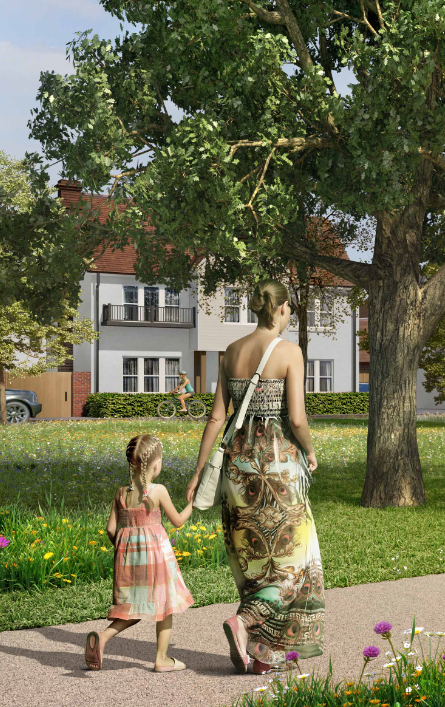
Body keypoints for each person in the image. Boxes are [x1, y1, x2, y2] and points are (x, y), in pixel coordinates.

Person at [188, 278, 324, 674]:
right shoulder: (289, 352)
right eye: (289, 309)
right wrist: (310, 451)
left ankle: (264, 656)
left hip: (236, 468)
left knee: (255, 560)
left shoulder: (231, 351)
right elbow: (296, 418)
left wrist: (198, 473)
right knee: (296, 560)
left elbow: (216, 418)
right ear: (281, 309)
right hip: (277, 467)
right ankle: (244, 622)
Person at [84, 434, 194, 672]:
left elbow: (110, 529)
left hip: (129, 560)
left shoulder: (120, 493)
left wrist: (125, 548)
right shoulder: (158, 490)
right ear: (156, 464)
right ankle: (162, 659)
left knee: (132, 607)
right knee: (165, 605)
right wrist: (192, 505)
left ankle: (102, 638)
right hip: (156, 558)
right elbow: (177, 521)